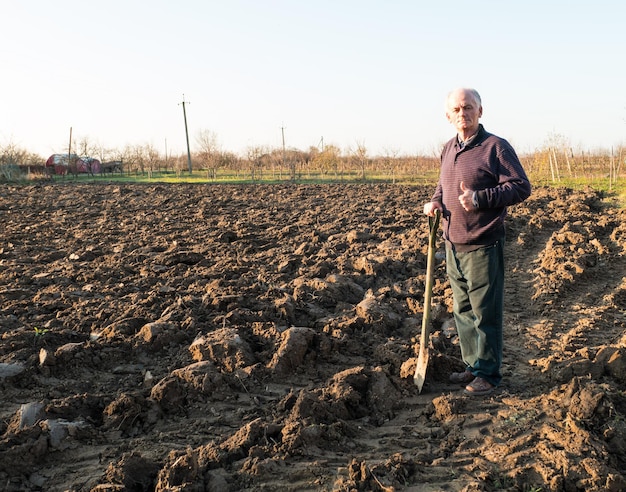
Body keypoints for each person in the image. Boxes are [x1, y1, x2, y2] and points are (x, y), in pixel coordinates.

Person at [423, 88, 531, 396]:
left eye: (468, 107)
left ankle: (489, 374)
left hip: (483, 243)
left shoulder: (496, 147)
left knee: (486, 312)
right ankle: (473, 365)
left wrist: (481, 198)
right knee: (463, 310)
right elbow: (442, 187)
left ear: (480, 111)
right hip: (452, 243)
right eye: (456, 109)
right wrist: (434, 203)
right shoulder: (447, 148)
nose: (462, 113)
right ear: (448, 116)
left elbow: (521, 187)